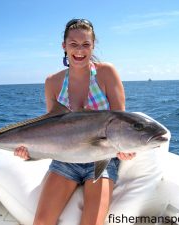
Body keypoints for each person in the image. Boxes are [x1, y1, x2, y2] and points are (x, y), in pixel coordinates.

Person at [14, 19, 136, 225]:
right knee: (41, 222)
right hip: (65, 161)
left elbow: (120, 123)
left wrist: (125, 148)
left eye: (86, 44)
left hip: (102, 160)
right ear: (64, 46)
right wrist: (30, 153)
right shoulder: (52, 82)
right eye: (73, 44)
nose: (80, 50)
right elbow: (50, 130)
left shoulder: (106, 73)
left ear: (93, 45)